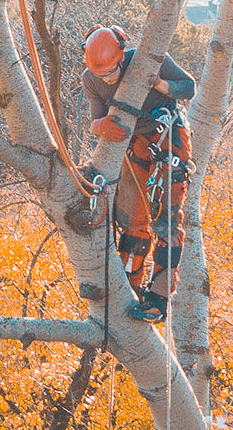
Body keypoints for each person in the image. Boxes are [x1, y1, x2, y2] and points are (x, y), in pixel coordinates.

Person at [80, 24, 195, 323]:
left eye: (111, 71)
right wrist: (99, 126)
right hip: (133, 145)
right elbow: (95, 117)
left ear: (120, 55)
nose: (107, 78)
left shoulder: (145, 61)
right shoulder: (91, 78)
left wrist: (162, 86)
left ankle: (158, 297)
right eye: (101, 74)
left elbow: (189, 86)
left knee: (165, 216)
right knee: (131, 217)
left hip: (167, 136)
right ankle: (130, 288)